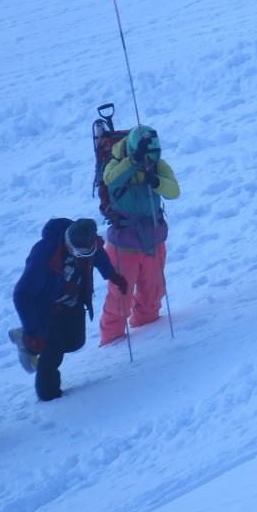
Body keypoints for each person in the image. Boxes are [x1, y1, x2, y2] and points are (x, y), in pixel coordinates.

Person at [12, 219, 127, 401]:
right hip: (46, 308)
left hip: (73, 302)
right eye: (78, 253)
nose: (82, 256)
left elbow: (99, 256)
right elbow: (22, 295)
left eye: (85, 253)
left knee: (75, 342)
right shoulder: (43, 254)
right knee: (52, 352)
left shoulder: (89, 242)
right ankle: (49, 396)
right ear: (68, 242)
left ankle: (33, 341)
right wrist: (34, 330)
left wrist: (112, 275)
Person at [99, 125, 180, 346]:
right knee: (120, 298)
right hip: (124, 246)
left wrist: (156, 181)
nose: (149, 163)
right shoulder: (116, 162)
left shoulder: (157, 164)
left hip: (153, 240)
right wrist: (132, 162)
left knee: (153, 291)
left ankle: (149, 330)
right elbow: (111, 179)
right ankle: (111, 342)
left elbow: (174, 191)